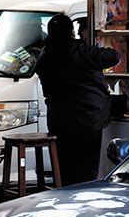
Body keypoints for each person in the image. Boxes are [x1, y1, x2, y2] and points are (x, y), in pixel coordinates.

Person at [32, 14, 120, 185]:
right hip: (88, 119)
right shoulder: (83, 51)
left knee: (65, 169)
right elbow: (114, 57)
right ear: (72, 32)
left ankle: (66, 200)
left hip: (59, 121)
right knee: (86, 170)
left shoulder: (45, 57)